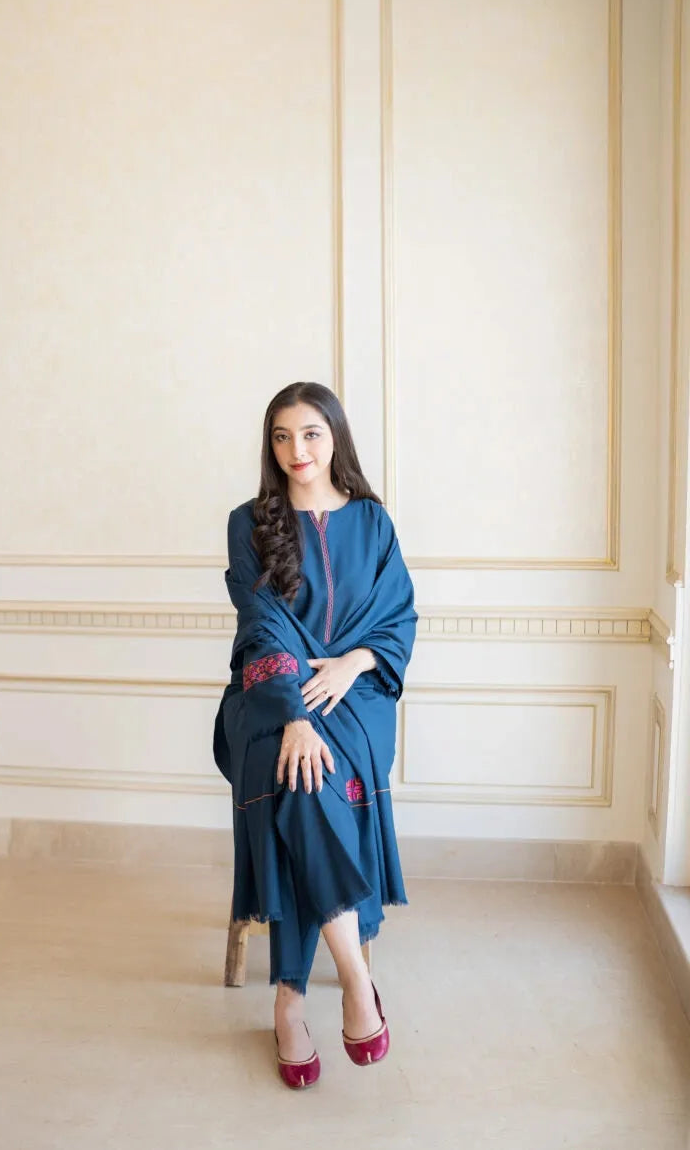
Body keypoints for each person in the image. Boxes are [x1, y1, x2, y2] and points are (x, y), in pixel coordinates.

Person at [213, 381, 417, 1089]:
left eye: (310, 434)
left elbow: (398, 617)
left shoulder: (373, 522)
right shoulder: (248, 523)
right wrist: (295, 716)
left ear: (335, 438)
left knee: (302, 789)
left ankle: (290, 1001)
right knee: (297, 775)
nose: (295, 450)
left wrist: (354, 663)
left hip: (358, 699)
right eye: (281, 436)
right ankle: (355, 982)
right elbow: (262, 626)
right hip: (271, 695)